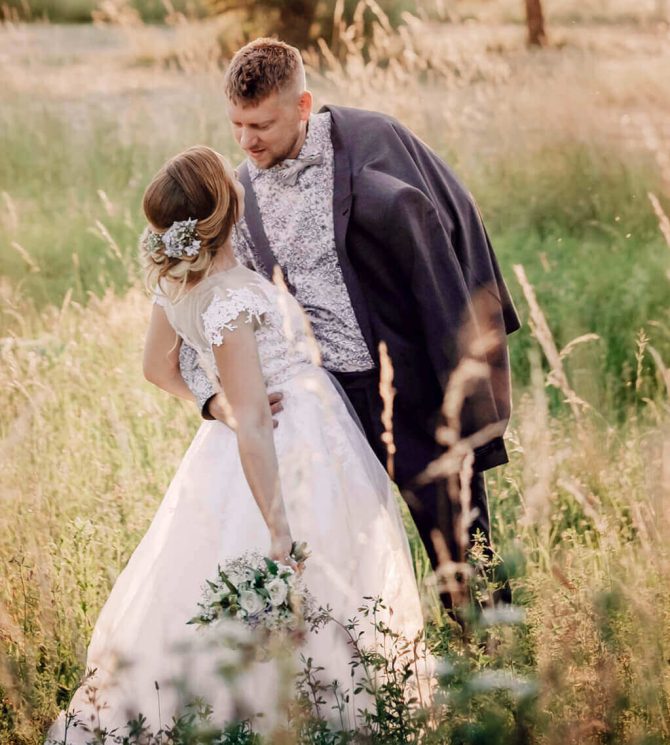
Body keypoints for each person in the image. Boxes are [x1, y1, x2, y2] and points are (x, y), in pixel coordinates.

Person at [45, 146, 430, 741]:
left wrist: (211, 402)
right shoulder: (231, 297)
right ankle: (294, 717)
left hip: (249, 445)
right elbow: (254, 421)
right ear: (228, 205)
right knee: (313, 579)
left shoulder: (176, 282)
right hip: (287, 447)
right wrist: (277, 528)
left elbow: (157, 368)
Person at [178, 39, 521, 605]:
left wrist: (468, 362)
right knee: (339, 570)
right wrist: (212, 399)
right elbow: (201, 309)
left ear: (303, 105)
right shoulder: (236, 198)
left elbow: (454, 225)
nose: (246, 141)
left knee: (463, 552)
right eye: (237, 124)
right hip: (323, 411)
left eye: (261, 125)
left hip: (409, 389)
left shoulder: (376, 140)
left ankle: (492, 653)